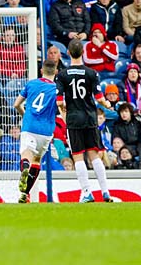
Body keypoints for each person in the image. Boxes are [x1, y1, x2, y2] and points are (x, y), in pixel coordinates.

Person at [56, 39, 113, 203]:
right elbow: (100, 98)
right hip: (90, 117)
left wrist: (65, 109)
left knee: (78, 156)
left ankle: (87, 192)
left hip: (74, 119)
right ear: (83, 52)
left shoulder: (62, 75)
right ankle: (105, 192)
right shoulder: (92, 73)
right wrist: (108, 105)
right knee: (95, 155)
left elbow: (59, 101)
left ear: (68, 53)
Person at [13, 59, 58, 203]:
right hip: (46, 131)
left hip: (30, 126)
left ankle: (25, 166)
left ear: (41, 71)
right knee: (37, 160)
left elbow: (16, 104)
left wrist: (24, 114)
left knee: (27, 154)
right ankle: (25, 195)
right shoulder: (56, 89)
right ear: (56, 72)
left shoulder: (31, 84)